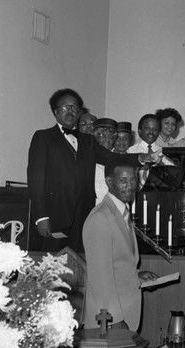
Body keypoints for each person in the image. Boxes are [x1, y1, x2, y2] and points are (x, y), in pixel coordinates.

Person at [27, 88, 146, 253]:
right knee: (52, 266)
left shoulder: (87, 140)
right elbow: (35, 180)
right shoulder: (43, 137)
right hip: (55, 216)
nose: (71, 110)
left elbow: (111, 158)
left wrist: (140, 158)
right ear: (55, 111)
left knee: (80, 264)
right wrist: (41, 217)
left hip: (84, 216)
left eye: (75, 107)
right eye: (66, 107)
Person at [83, 158, 157, 331]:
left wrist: (136, 275)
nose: (130, 186)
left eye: (133, 180)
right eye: (123, 181)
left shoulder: (121, 211)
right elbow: (100, 279)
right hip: (110, 321)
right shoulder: (100, 218)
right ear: (109, 182)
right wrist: (115, 321)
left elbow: (115, 263)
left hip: (126, 312)